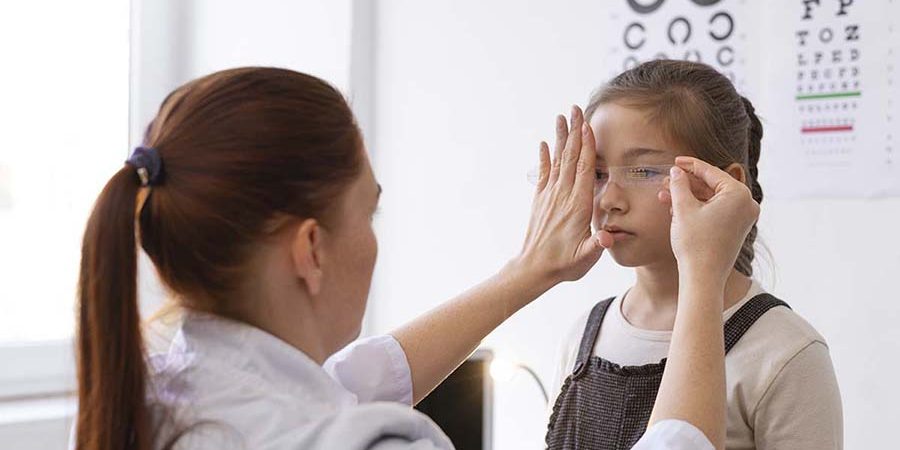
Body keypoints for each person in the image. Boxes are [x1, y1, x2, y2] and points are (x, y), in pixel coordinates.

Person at [72, 66, 758, 450]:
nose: (607, 196)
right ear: (310, 248)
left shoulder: (156, 396)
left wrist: (527, 274)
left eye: (642, 171)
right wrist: (703, 278)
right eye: (368, 212)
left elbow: (342, 383)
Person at [546, 60, 843, 450]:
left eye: (643, 172)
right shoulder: (586, 333)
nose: (610, 200)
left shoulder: (784, 352)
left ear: (725, 186)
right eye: (599, 174)